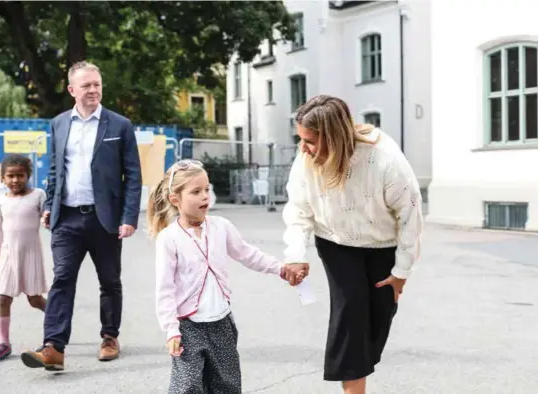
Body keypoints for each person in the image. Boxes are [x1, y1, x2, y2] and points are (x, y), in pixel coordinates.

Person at [281, 95, 424, 394]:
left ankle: (358, 363)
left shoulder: (385, 161)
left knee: (378, 318)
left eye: (310, 141)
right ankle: (354, 385)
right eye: (300, 139)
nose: (303, 148)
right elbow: (298, 210)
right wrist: (295, 254)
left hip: (382, 245)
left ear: (334, 137)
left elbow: (411, 216)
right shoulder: (305, 160)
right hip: (336, 242)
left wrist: (401, 272)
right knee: (351, 315)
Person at [20, 61, 142, 371]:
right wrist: (49, 206)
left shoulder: (120, 125)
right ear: (72, 90)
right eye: (86, 85)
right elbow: (54, 169)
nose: (93, 90)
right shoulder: (59, 124)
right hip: (67, 219)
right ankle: (53, 347)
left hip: (106, 219)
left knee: (110, 281)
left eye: (97, 84)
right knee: (62, 280)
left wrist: (128, 217)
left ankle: (110, 337)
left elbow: (133, 175)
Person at [148, 159, 307, 394]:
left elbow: (248, 254)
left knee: (227, 384)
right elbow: (165, 288)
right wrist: (171, 329)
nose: (205, 196)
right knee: (188, 387)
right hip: (187, 326)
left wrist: (280, 268)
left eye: (207, 190)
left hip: (221, 322)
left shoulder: (221, 226)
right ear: (175, 199)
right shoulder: (169, 238)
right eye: (196, 192)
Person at [0, 154, 48, 362]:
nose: (15, 180)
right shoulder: (0, 200)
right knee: (3, 297)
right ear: (3, 178)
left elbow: (46, 216)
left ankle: (58, 325)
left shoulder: (38, 195)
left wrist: (46, 218)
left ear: (28, 175)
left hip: (31, 255)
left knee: (35, 299)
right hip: (6, 256)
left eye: (20, 175)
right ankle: (4, 343)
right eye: (10, 176)